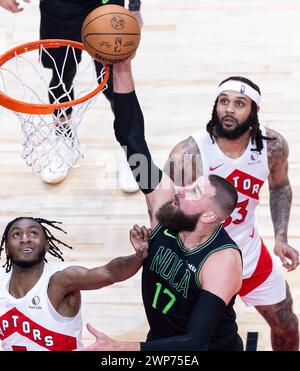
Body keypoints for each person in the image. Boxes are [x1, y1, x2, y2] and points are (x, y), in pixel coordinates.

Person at [82, 57, 244, 351]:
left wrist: (121, 348)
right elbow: (132, 141)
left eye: (194, 192)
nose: (182, 191)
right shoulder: (165, 205)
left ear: (209, 214)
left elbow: (195, 342)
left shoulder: (222, 261)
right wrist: (122, 67)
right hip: (162, 343)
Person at [163, 76, 299, 351]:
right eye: (223, 101)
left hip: (247, 253)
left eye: (239, 103)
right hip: (199, 262)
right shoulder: (189, 153)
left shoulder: (272, 147)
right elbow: (164, 210)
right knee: (195, 342)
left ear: (254, 112)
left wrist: (281, 237)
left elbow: (281, 186)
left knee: (287, 327)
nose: (229, 109)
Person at [0, 216, 149, 351]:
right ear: (6, 247)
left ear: (47, 245)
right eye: (16, 234)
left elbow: (109, 273)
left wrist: (137, 257)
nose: (25, 238)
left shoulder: (61, 281)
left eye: (33, 233)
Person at [38, 0, 141, 190]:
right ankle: (64, 139)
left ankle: (131, 149)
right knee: (61, 75)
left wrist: (134, 8)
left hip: (106, 4)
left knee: (115, 79)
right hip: (57, 6)